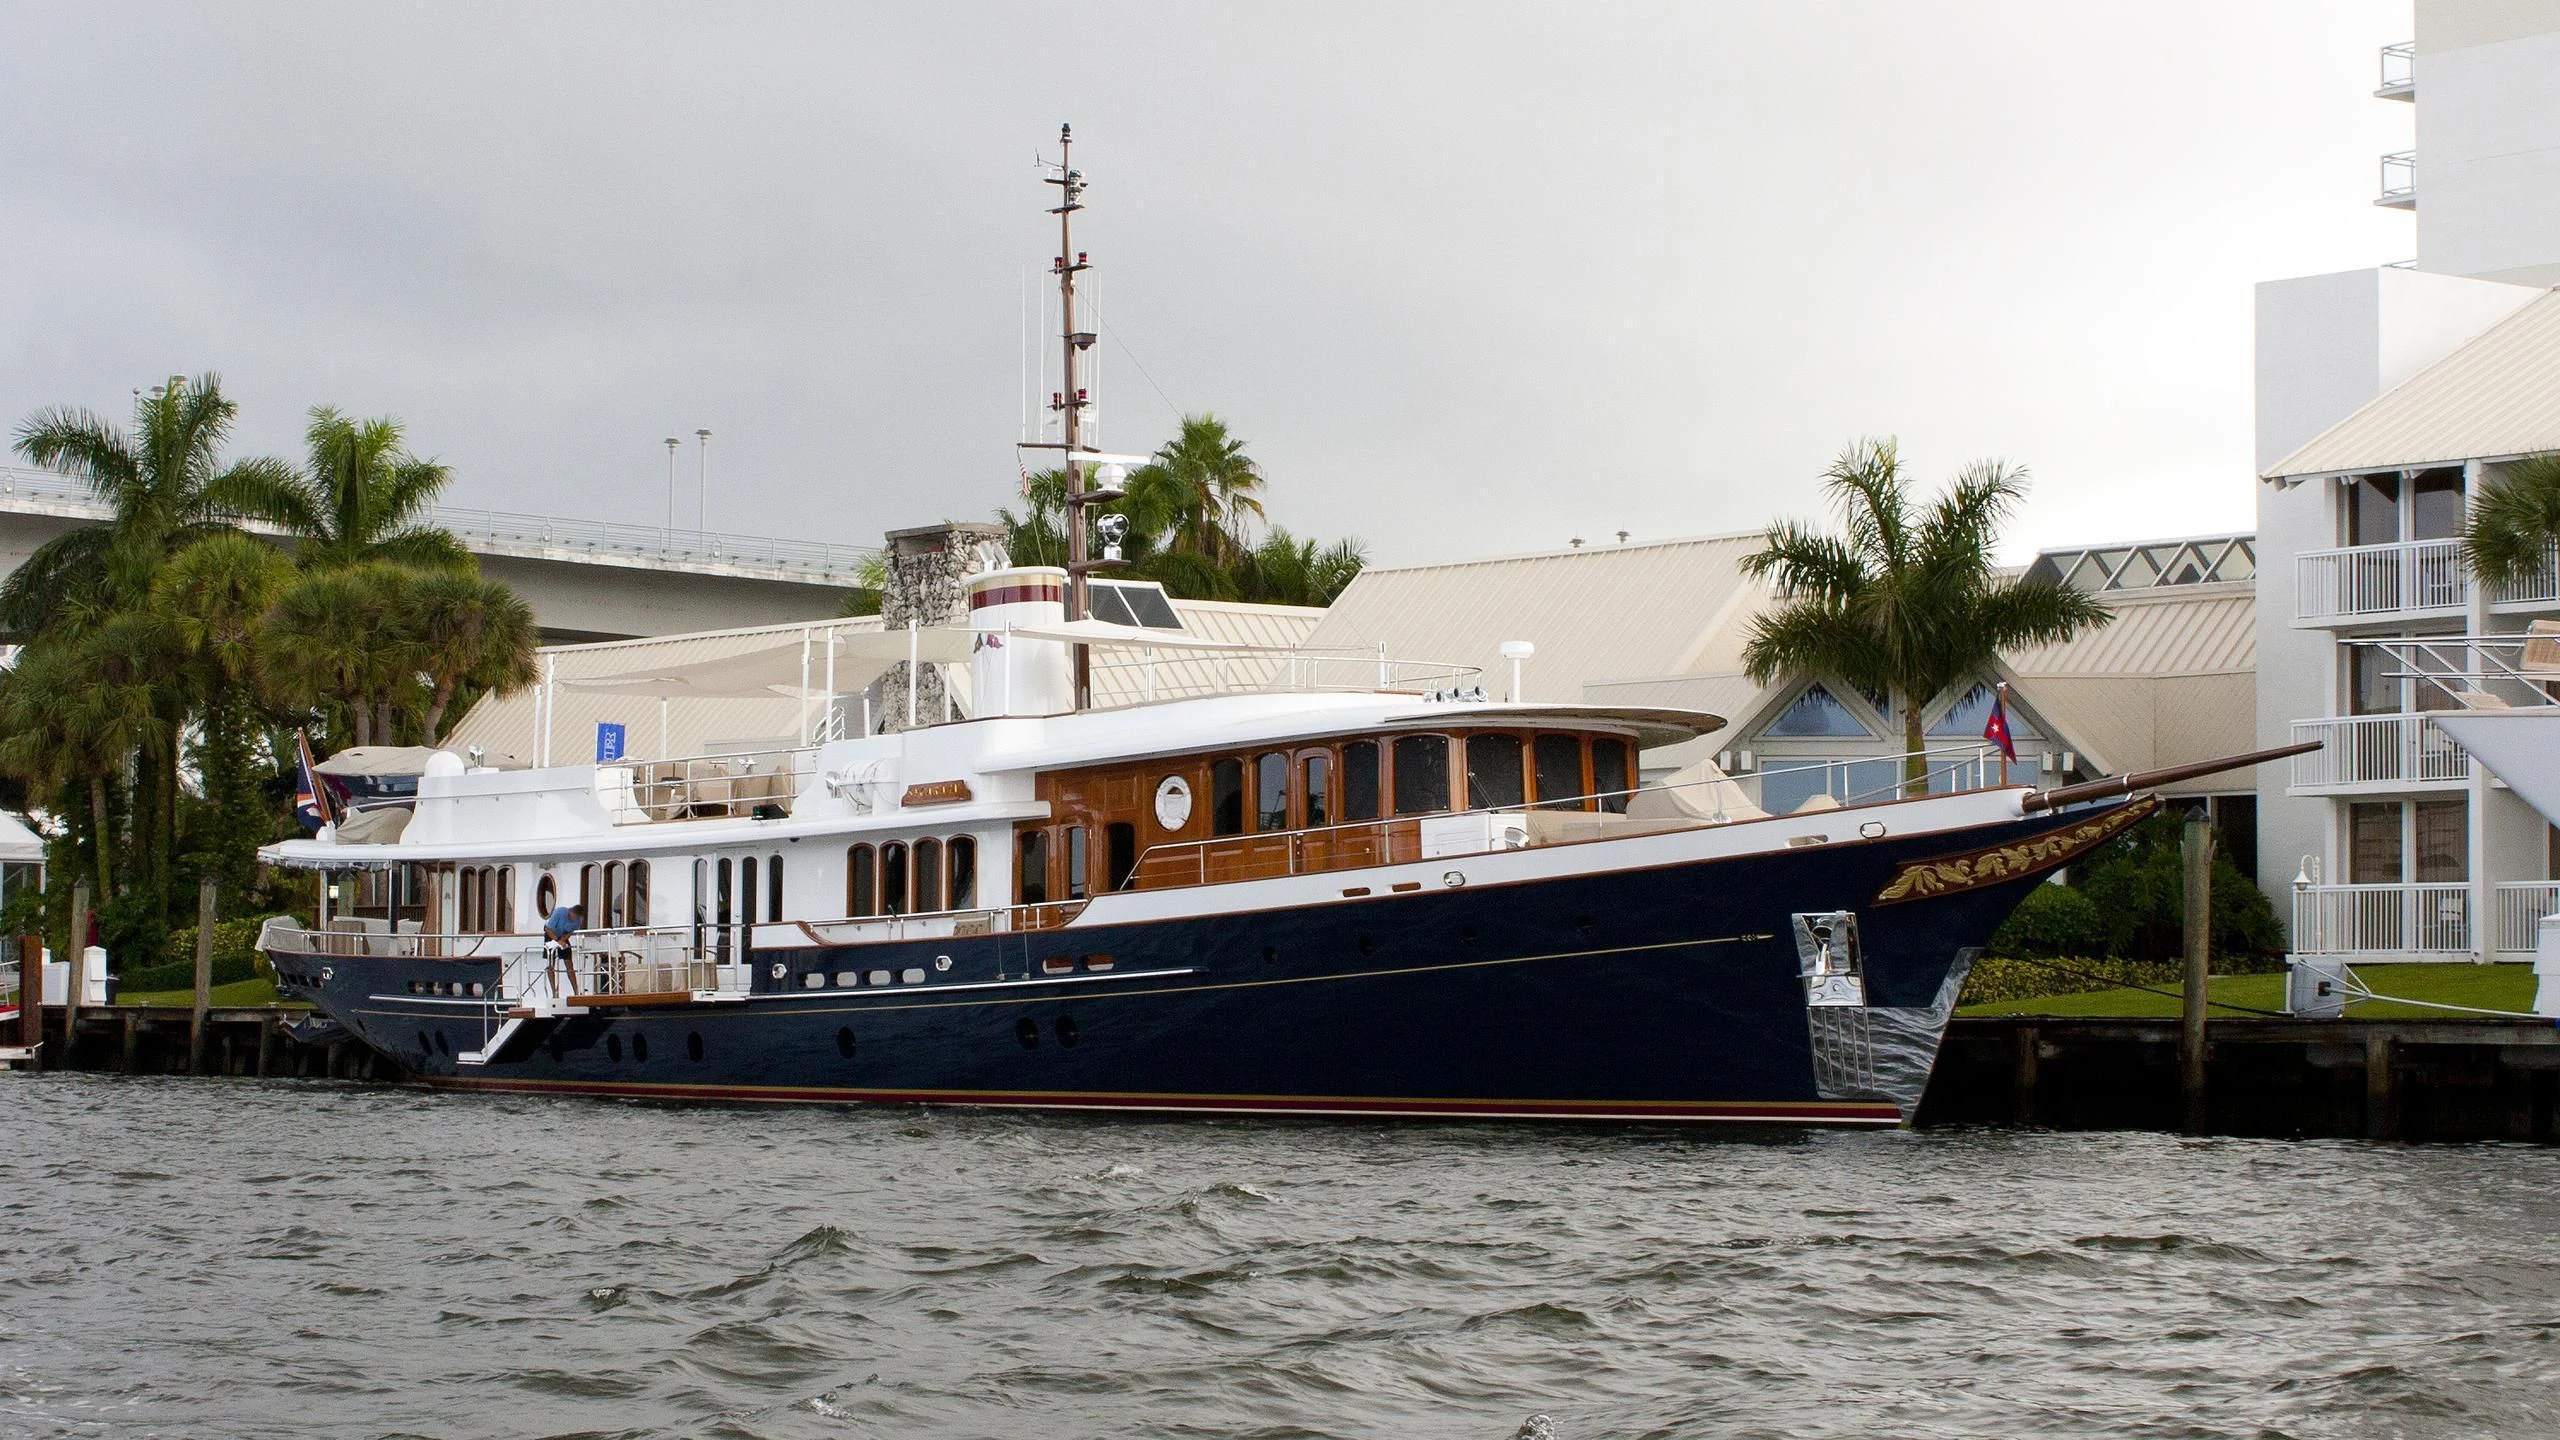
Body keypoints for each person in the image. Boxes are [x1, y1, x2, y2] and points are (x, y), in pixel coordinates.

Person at [542, 902, 584, 996]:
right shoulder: (560, 912)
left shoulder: (577, 920)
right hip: (551, 934)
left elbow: (569, 932)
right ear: (570, 912)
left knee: (568, 962)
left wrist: (562, 941)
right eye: (574, 916)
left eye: (576, 917)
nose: (574, 918)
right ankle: (554, 991)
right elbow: (548, 930)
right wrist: (557, 940)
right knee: (550, 963)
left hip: (562, 936)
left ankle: (576, 991)